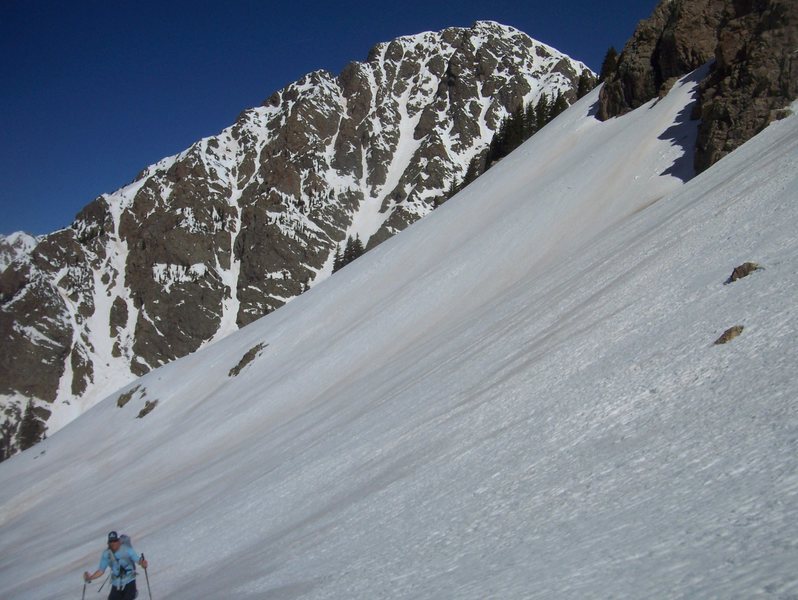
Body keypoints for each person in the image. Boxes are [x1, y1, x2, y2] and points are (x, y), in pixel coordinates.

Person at [84, 531, 148, 600]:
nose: (113, 543)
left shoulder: (127, 550)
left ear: (119, 541)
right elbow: (101, 571)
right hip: (116, 584)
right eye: (111, 541)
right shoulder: (106, 554)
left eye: (115, 541)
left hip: (129, 582)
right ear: (108, 543)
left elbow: (138, 560)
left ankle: (133, 593)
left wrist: (143, 563)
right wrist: (90, 577)